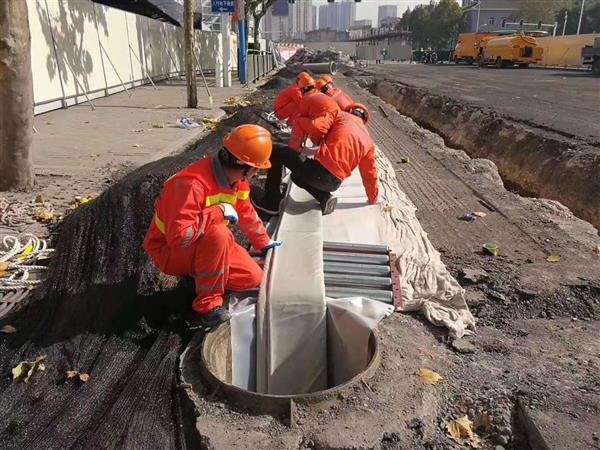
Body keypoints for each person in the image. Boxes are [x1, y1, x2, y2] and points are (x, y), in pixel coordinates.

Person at [143, 125, 281, 328]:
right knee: (220, 233)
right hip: (171, 251)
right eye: (257, 168)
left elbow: (245, 212)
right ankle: (207, 307)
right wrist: (218, 212)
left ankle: (199, 275)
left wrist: (263, 241)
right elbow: (180, 237)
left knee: (253, 278)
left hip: (207, 243)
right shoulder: (191, 184)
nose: (255, 173)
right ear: (249, 167)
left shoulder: (238, 181)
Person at [253, 95, 379, 216]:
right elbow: (370, 174)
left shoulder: (341, 116)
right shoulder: (368, 141)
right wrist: (373, 198)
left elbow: (318, 128)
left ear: (350, 110)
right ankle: (324, 198)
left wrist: (301, 129)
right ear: (364, 121)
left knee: (277, 151)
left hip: (319, 173)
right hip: (334, 183)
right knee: (296, 176)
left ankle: (271, 202)